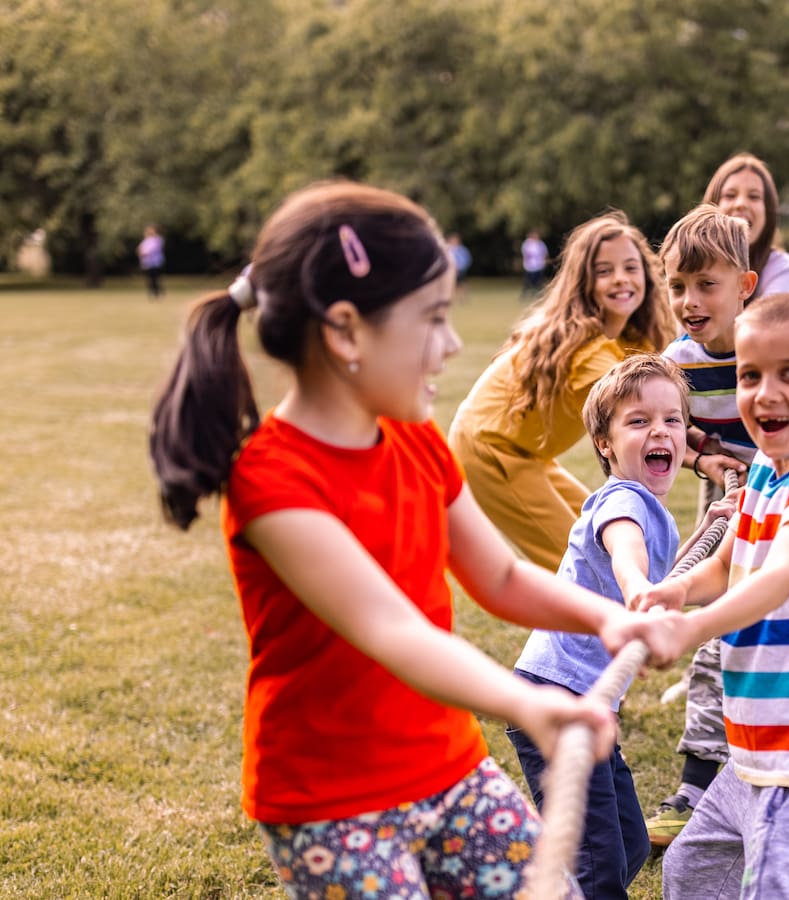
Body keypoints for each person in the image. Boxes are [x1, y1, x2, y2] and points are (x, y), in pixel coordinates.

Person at [147, 181, 684, 900]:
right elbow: (392, 630)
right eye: (433, 319)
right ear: (345, 332)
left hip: (450, 769)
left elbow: (499, 579)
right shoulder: (272, 483)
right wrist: (528, 704)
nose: (453, 344)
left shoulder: (416, 441)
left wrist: (606, 616)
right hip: (332, 806)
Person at [636, 292, 789, 899]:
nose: (765, 393)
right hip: (754, 743)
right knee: (691, 870)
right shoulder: (769, 475)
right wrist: (674, 592)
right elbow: (726, 567)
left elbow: (779, 576)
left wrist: (692, 631)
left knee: (776, 889)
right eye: (750, 376)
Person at [505, 353, 690, 900]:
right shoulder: (622, 500)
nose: (659, 430)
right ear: (605, 445)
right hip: (557, 699)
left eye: (672, 420)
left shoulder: (656, 508)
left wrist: (715, 522)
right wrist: (636, 589)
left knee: (630, 844)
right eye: (638, 421)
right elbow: (625, 549)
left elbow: (678, 571)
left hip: (590, 706)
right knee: (600, 864)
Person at [448, 212, 674, 571]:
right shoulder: (588, 348)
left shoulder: (633, 338)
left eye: (631, 267)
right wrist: (703, 454)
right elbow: (647, 413)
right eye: (604, 271)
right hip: (490, 449)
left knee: (605, 533)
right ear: (583, 282)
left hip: (529, 454)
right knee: (584, 565)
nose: (620, 279)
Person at [643, 205, 760, 848]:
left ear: (744, 286)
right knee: (713, 643)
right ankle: (697, 785)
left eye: (706, 285)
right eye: (678, 286)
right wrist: (701, 457)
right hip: (717, 514)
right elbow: (671, 429)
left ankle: (769, 769)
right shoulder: (677, 362)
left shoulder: (769, 351)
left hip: (773, 519)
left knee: (757, 642)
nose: (689, 301)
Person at [703, 153, 789, 300]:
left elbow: (773, 321)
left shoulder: (781, 269)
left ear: (768, 212)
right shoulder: (689, 262)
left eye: (754, 196)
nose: (741, 203)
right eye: (730, 195)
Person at [137, 225, 165, 299]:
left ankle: (158, 293)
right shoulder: (146, 240)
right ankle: (151, 293)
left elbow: (151, 249)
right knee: (149, 279)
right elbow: (140, 249)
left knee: (156, 278)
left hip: (155, 263)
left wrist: (144, 252)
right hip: (147, 263)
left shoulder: (157, 239)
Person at [521, 229, 549, 297]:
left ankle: (538, 294)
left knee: (538, 282)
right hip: (530, 266)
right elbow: (525, 255)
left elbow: (545, 254)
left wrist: (544, 261)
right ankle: (525, 295)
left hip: (539, 265)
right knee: (528, 282)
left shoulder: (540, 244)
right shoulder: (527, 244)